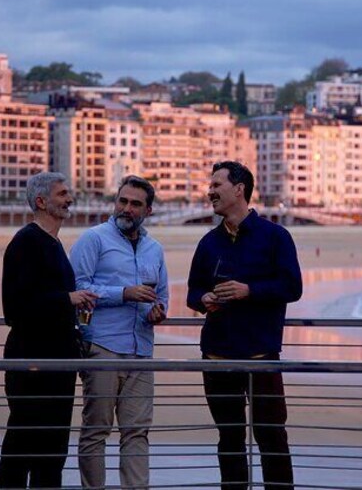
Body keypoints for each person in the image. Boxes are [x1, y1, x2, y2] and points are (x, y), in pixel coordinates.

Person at [187, 161, 302, 490]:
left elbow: (292, 287)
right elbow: (193, 292)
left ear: (239, 189)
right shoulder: (208, 242)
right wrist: (204, 299)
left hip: (261, 357)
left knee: (272, 438)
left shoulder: (275, 237)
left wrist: (248, 290)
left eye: (217, 184)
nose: (210, 191)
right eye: (210, 185)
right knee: (229, 440)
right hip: (217, 358)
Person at [0, 172, 97, 488]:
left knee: (53, 451)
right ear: (41, 201)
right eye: (62, 194)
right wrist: (67, 298)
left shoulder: (52, 243)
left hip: (58, 363)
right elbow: (14, 308)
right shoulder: (26, 242)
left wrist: (73, 308)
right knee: (23, 446)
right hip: (32, 363)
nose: (70, 199)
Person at [70, 175, 169, 490]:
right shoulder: (94, 239)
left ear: (148, 210)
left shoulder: (155, 249)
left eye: (135, 204)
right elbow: (77, 289)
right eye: (123, 201)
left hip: (142, 351)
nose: (126, 209)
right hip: (102, 347)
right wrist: (123, 293)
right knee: (96, 431)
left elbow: (162, 297)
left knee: (137, 432)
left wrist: (158, 312)